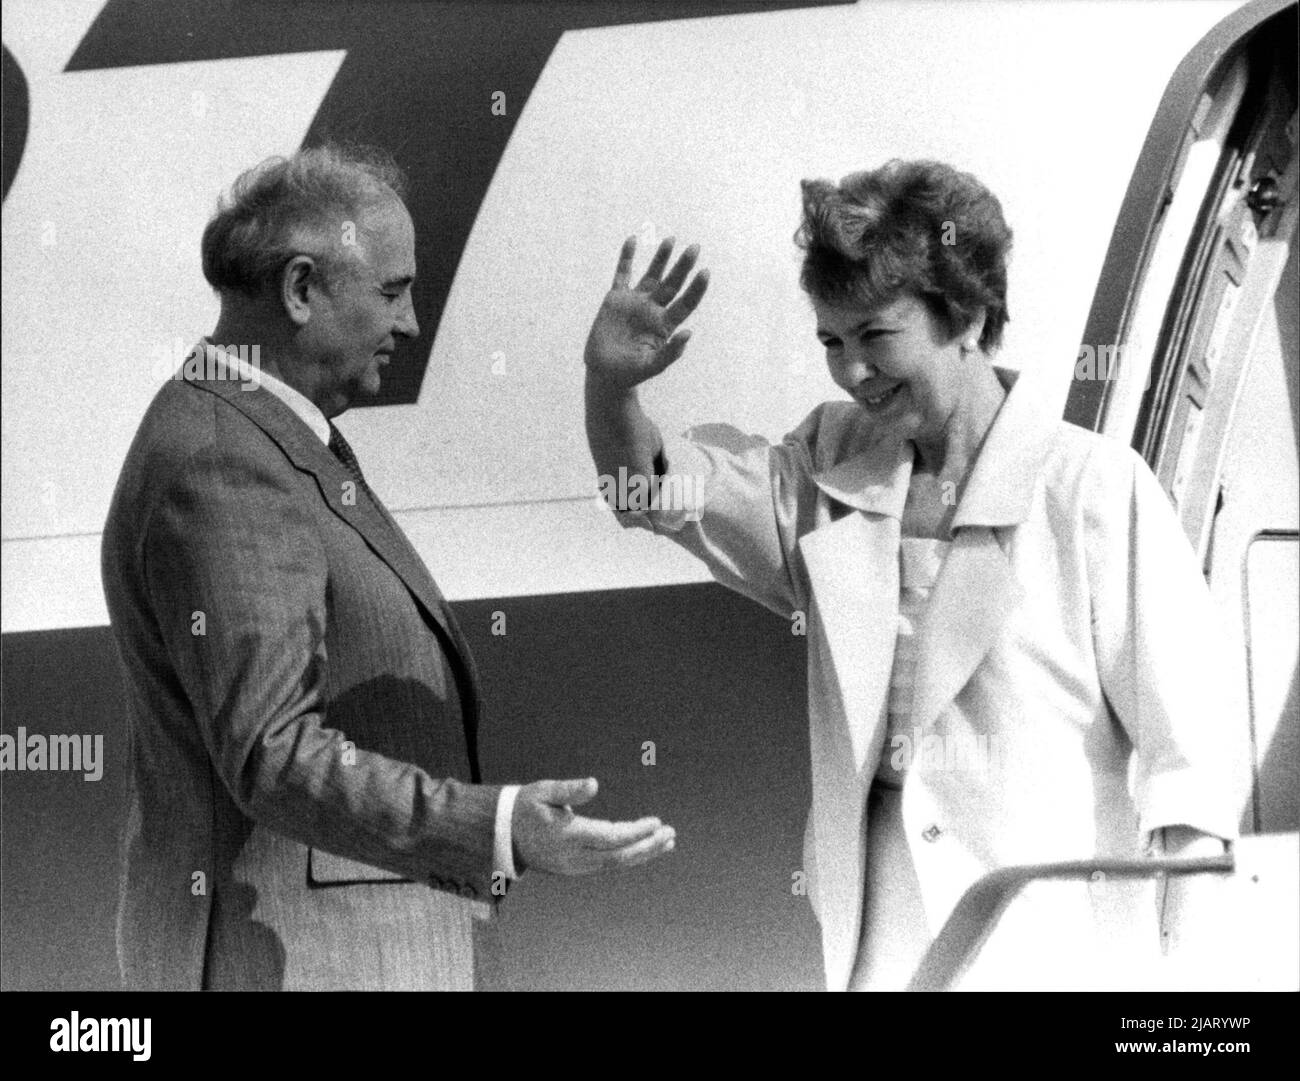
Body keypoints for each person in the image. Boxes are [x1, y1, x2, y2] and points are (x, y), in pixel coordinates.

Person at [583, 159, 1243, 991]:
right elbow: (649, 491)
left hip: (1057, 952)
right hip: (884, 957)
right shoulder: (828, 467)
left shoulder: (1094, 490)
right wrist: (609, 388)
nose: (852, 370)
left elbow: (1191, 768)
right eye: (832, 339)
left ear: (964, 315)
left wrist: (1197, 1007)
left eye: (876, 336)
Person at [102, 143, 675, 991]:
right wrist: (500, 826)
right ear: (301, 289)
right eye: (392, 291)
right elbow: (272, 751)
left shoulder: (254, 434)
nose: (408, 324)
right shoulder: (226, 458)